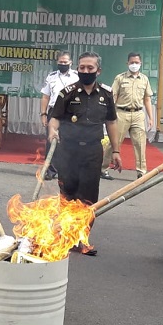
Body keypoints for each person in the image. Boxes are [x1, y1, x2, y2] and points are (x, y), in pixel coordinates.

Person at [48, 51, 122, 255]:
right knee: (68, 195)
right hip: (68, 151)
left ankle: (81, 239)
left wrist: (116, 150)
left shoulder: (106, 95)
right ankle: (65, 237)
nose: (86, 71)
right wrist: (52, 131)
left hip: (92, 151)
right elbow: (55, 118)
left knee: (88, 198)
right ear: (77, 68)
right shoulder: (67, 92)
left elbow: (112, 122)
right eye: (82, 68)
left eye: (90, 68)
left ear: (98, 70)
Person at [101, 52, 153, 180]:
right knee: (114, 142)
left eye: (137, 62)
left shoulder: (144, 79)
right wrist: (109, 114)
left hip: (138, 114)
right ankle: (103, 168)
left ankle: (141, 172)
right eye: (132, 62)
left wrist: (150, 117)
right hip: (121, 113)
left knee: (140, 143)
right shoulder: (120, 78)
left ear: (140, 64)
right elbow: (113, 97)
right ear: (127, 63)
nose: (134, 65)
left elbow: (147, 99)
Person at [40, 51, 79, 180]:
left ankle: (67, 170)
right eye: (61, 62)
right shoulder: (51, 77)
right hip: (53, 111)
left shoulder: (77, 76)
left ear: (70, 63)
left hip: (71, 112)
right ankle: (50, 170)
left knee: (69, 141)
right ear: (57, 62)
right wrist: (43, 114)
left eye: (65, 62)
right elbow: (45, 97)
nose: (63, 64)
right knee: (51, 141)